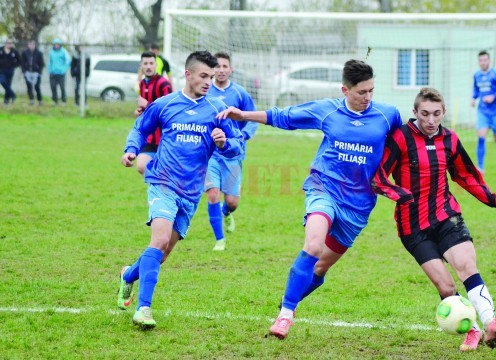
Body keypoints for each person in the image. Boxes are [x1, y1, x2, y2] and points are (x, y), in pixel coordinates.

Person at [216, 59, 403, 339]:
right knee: (313, 245)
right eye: (361, 92)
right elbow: (285, 116)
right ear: (345, 90)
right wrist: (243, 116)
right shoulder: (328, 111)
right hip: (324, 187)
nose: (368, 98)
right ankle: (285, 316)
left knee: (320, 267)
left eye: (371, 91)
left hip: (360, 204)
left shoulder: (388, 115)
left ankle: (288, 302)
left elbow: (403, 148)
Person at [371, 87, 496, 352]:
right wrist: (400, 194)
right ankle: (471, 330)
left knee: (467, 267)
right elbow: (377, 176)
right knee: (446, 286)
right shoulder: (400, 138)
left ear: (444, 113)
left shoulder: (450, 139)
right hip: (412, 227)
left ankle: (491, 324)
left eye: (436, 114)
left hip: (445, 215)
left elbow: (466, 175)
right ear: (414, 112)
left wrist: (493, 199)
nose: (430, 120)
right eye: (424, 114)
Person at [117, 51, 243, 330]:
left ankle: (128, 275)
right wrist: (130, 150)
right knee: (159, 240)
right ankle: (143, 309)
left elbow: (238, 145)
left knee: (162, 252)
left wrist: (224, 144)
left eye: (211, 77)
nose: (209, 81)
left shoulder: (218, 109)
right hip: (162, 182)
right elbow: (140, 129)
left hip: (190, 191)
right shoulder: (165, 105)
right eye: (203, 76)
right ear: (188, 75)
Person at [204, 51, 257, 251]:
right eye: (217, 66)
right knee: (212, 194)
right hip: (211, 155)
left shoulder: (240, 93)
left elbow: (251, 118)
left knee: (232, 201)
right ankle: (220, 240)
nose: (221, 70)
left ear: (230, 69)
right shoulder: (207, 92)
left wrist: (243, 137)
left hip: (233, 154)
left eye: (224, 66)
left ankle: (226, 213)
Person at [471, 50, 496, 173]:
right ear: (478, 62)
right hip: (483, 111)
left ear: (489, 61)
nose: (483, 62)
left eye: (485, 60)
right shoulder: (477, 75)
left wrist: (494, 96)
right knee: (481, 136)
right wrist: (473, 98)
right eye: (481, 60)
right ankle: (480, 167)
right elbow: (476, 90)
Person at [133, 51, 173, 175]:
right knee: (141, 166)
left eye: (151, 63)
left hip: (164, 138)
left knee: (165, 171)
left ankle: (163, 186)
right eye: (145, 63)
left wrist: (147, 105)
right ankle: (160, 184)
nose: (149, 66)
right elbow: (148, 111)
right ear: (141, 66)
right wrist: (141, 112)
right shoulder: (142, 83)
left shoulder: (164, 84)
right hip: (149, 137)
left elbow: (170, 110)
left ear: (156, 65)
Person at [20, 40, 45, 105]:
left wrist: (39, 72)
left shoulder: (39, 53)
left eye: (33, 44)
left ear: (35, 45)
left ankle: (40, 100)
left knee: (37, 87)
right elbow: (22, 63)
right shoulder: (25, 53)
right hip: (27, 72)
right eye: (30, 44)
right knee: (29, 87)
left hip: (36, 73)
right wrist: (24, 72)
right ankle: (31, 100)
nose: (31, 46)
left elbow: (42, 64)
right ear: (28, 45)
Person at [48, 38, 71, 105]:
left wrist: (64, 69)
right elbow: (50, 62)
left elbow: (68, 61)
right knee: (53, 87)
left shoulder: (64, 51)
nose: (56, 46)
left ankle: (63, 101)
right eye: (55, 44)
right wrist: (50, 70)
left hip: (61, 73)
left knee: (62, 87)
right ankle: (55, 101)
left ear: (60, 45)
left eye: (58, 44)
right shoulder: (51, 52)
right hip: (53, 73)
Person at [0, 38, 20, 105]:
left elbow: (19, 60)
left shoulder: (14, 51)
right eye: (8, 43)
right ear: (5, 43)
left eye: (11, 43)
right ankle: (13, 94)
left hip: (10, 70)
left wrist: (14, 66)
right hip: (2, 70)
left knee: (8, 84)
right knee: (2, 81)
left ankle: (6, 100)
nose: (9, 44)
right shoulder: (1, 50)